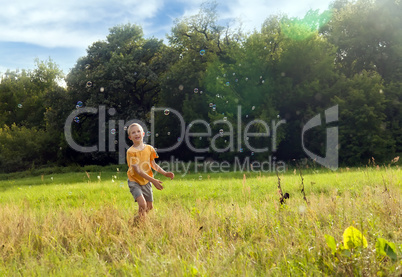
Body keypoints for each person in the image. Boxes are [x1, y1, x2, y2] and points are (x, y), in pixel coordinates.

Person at [126, 123, 174, 222]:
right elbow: (138, 170)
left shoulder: (149, 149)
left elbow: (153, 164)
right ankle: (141, 224)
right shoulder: (131, 152)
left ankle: (137, 220)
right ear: (130, 137)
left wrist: (165, 173)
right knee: (142, 204)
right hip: (134, 180)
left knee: (149, 206)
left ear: (143, 134)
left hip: (146, 181)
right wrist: (153, 181)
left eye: (138, 131)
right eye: (133, 132)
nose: (136, 134)